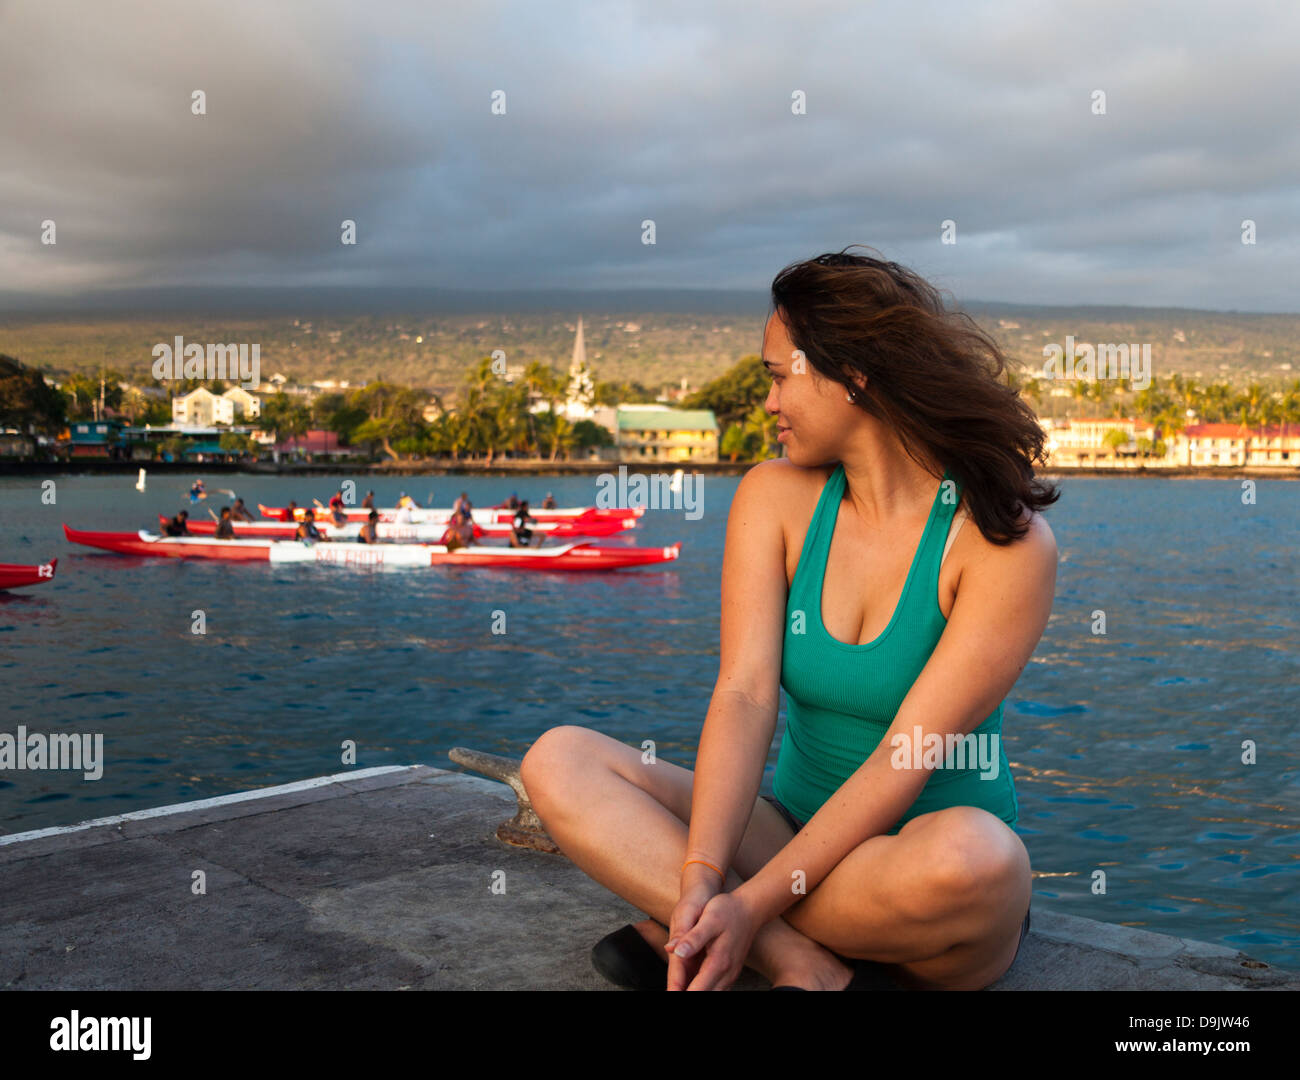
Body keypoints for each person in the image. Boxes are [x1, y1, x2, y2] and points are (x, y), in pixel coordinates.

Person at [518, 248, 1059, 992]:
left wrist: (749, 902)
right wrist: (708, 875)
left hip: (916, 873)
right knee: (559, 759)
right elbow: (744, 696)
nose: (767, 403)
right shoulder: (774, 499)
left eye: (779, 376)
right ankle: (794, 961)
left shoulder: (999, 540)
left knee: (982, 861)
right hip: (787, 834)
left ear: (854, 376)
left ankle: (708, 933)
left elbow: (906, 756)